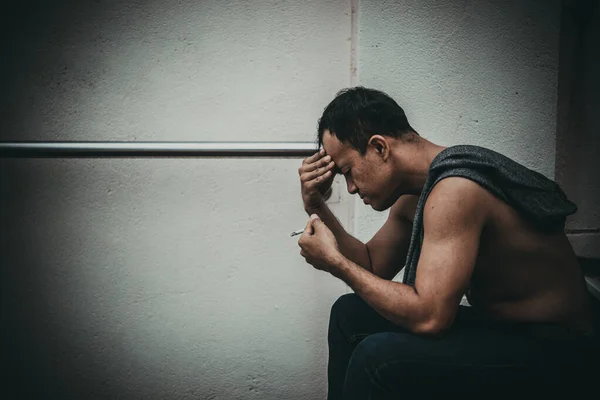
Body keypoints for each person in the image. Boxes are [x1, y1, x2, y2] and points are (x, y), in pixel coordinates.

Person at [296, 87, 598, 399]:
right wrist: (316, 204)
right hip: (503, 332)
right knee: (349, 314)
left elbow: (430, 318)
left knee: (377, 358)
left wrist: (336, 263)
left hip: (560, 350)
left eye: (348, 171)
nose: (351, 187)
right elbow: (373, 264)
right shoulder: (418, 194)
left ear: (379, 148)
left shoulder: (456, 189)